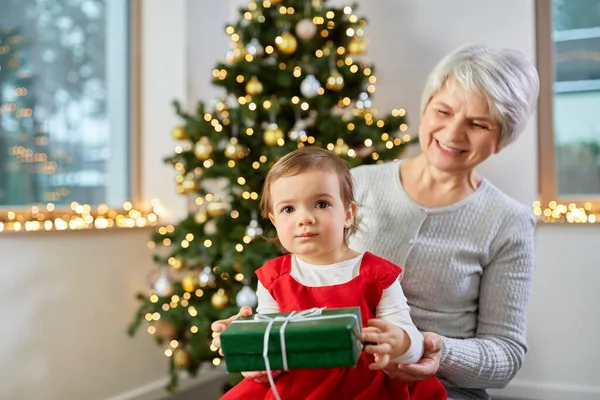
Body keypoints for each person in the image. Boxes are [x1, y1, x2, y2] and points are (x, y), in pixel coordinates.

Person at [213, 43, 539, 400]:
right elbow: (278, 333)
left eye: (477, 124)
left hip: (440, 388)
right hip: (316, 381)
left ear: (503, 137)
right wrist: (250, 343)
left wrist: (434, 349)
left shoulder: (509, 221)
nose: (453, 133)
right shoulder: (359, 184)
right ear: (426, 108)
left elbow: (506, 355)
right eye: (443, 111)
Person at [219, 147, 447, 399]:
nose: (305, 218)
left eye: (321, 204)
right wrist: (242, 343)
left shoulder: (378, 275)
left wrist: (402, 342)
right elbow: (270, 357)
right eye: (288, 209)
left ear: (348, 214)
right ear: (274, 221)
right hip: (299, 387)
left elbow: (412, 347)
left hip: (366, 385)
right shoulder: (273, 279)